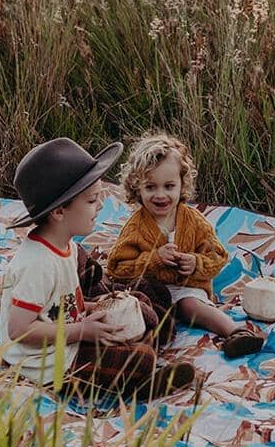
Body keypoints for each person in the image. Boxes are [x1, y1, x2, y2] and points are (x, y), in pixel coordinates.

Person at [0, 137, 195, 400]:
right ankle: (138, 383)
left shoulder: (65, 246)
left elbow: (60, 303)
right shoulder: (37, 264)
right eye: (92, 200)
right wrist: (80, 331)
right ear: (59, 212)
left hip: (67, 332)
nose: (101, 206)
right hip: (45, 362)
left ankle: (132, 360)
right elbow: (19, 330)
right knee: (142, 357)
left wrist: (95, 307)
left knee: (138, 304)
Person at [107, 133, 265, 358]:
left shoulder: (193, 221)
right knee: (140, 313)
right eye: (151, 187)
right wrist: (154, 260)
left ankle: (236, 333)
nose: (160, 195)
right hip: (149, 291)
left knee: (192, 306)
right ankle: (143, 357)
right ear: (136, 188)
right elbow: (116, 268)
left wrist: (196, 263)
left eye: (169, 186)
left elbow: (218, 256)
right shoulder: (135, 227)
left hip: (185, 289)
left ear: (182, 185)